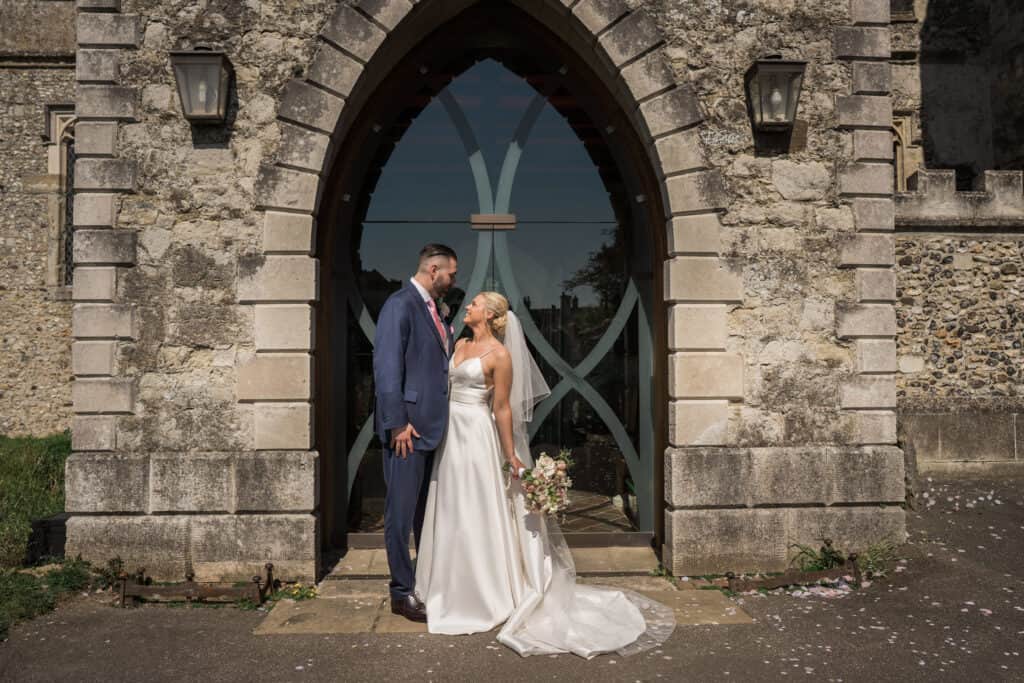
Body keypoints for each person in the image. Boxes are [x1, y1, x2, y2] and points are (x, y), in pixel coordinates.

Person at [414, 291, 674, 658]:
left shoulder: (501, 356)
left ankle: (484, 592)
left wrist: (511, 456)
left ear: (489, 315)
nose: (467, 307)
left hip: (475, 437)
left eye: (474, 304)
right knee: (450, 507)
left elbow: (502, 409)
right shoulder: (458, 342)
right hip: (449, 437)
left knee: (475, 508)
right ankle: (444, 586)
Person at [372, 243, 457, 623]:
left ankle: (424, 583)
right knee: (400, 516)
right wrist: (396, 423)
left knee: (425, 514)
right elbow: (387, 368)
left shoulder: (433, 309)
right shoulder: (400, 304)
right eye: (451, 274)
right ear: (434, 269)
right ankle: (401, 592)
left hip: (431, 430)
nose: (453, 281)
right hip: (406, 430)